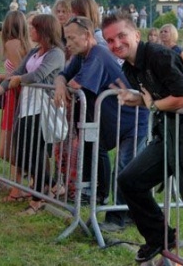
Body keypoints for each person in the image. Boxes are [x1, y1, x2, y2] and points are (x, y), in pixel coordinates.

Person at [103, 12, 183, 266]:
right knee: (129, 180)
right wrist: (139, 100)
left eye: (121, 36)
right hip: (167, 136)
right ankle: (160, 236)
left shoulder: (157, 55)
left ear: (136, 35)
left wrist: (150, 104)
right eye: (110, 40)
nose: (117, 43)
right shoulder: (130, 67)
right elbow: (154, 100)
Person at [54, 16, 148, 232]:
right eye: (65, 38)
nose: (67, 43)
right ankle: (132, 212)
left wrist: (65, 85)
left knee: (124, 170)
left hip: (133, 121)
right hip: (115, 122)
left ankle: (118, 219)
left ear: (87, 36)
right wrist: (59, 84)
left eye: (71, 38)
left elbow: (77, 86)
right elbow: (63, 75)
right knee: (124, 170)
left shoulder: (98, 54)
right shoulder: (81, 56)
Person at [0, 14, 65, 215]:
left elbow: (38, 75)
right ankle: (52, 186)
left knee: (35, 154)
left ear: (44, 31)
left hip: (43, 110)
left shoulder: (56, 54)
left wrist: (19, 78)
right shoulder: (35, 52)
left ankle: (38, 199)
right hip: (27, 108)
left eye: (34, 28)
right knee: (22, 153)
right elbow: (14, 75)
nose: (30, 31)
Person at [0, 11, 32, 201]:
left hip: (16, 97)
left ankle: (40, 179)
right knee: (15, 146)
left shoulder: (12, 44)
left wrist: (0, 77)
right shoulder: (23, 44)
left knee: (6, 149)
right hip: (17, 97)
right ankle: (20, 187)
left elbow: (18, 74)